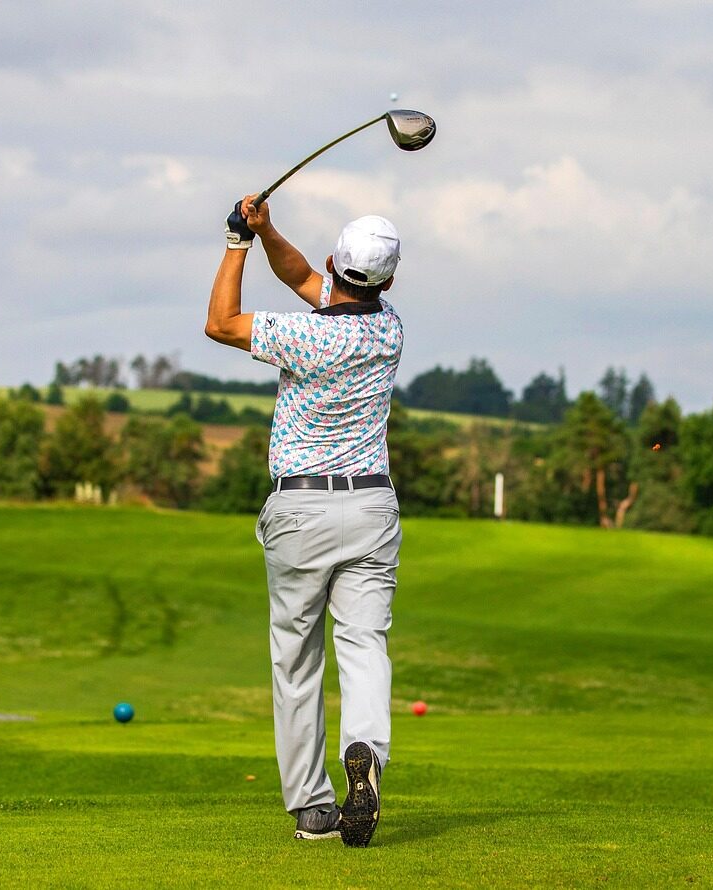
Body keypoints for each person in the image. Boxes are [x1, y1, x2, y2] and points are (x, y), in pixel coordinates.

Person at [204, 195, 404, 847]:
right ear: (388, 281)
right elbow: (300, 279)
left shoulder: (307, 334)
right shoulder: (389, 328)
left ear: (334, 264)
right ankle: (366, 748)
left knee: (296, 657)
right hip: (372, 506)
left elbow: (222, 322)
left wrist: (236, 244)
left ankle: (314, 808)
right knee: (365, 642)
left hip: (301, 509)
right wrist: (266, 232)